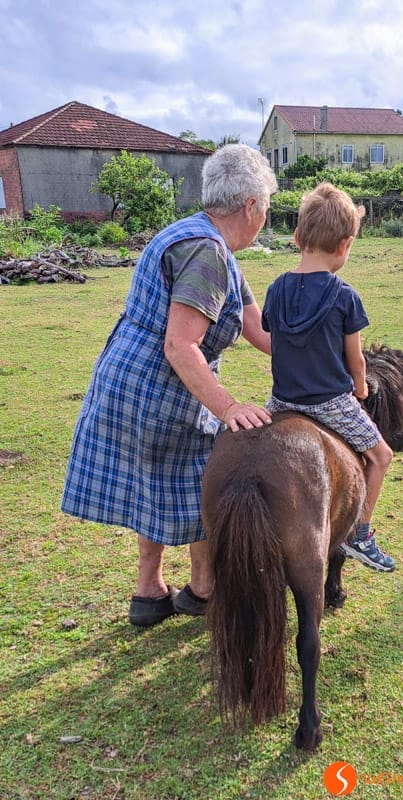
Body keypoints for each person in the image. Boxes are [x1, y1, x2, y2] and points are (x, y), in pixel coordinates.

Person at [61, 144, 278, 626]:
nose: (266, 217)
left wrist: (315, 358)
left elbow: (256, 327)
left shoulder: (205, 238)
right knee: (208, 477)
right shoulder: (207, 253)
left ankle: (149, 592)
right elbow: (181, 345)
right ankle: (203, 589)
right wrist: (227, 407)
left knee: (151, 481)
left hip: (131, 375)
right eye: (266, 207)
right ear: (250, 206)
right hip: (157, 384)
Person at [261, 182, 395, 571]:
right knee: (381, 454)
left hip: (282, 401)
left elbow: (274, 335)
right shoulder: (344, 296)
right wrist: (361, 387)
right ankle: (361, 533)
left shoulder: (275, 289)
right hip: (330, 402)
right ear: (345, 245)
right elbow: (355, 360)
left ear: (298, 237)